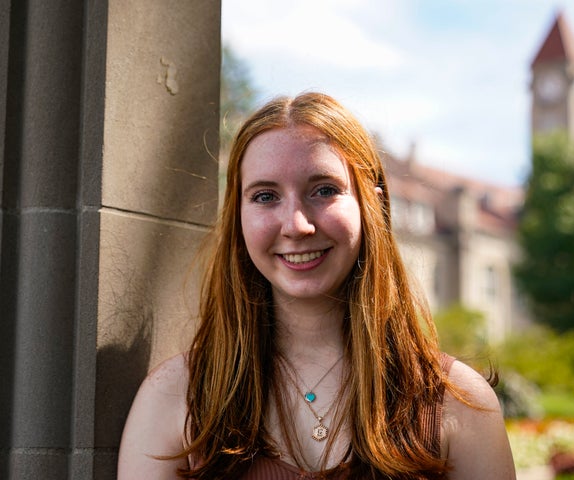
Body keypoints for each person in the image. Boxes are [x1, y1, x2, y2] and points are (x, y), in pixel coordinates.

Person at [118, 92, 516, 479]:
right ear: (237, 215)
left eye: (324, 190)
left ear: (371, 206)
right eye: (265, 196)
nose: (296, 225)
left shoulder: (458, 404)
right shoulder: (172, 398)